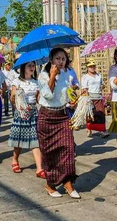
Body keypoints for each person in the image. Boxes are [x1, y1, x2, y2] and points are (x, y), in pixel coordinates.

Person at [38, 48, 80, 199]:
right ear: (51, 60)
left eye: (63, 58)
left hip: (63, 116)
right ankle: (50, 184)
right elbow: (47, 95)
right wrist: (52, 76)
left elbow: (68, 94)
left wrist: (74, 100)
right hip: (46, 117)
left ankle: (68, 182)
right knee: (50, 154)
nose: (61, 61)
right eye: (58, 58)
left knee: (68, 148)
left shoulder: (66, 74)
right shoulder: (43, 75)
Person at [8, 61, 45, 178]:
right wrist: (16, 95)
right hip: (21, 112)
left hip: (33, 111)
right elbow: (12, 99)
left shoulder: (36, 82)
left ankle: (39, 168)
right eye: (29, 65)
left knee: (35, 139)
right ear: (23, 67)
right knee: (19, 139)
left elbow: (38, 99)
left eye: (33, 65)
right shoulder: (17, 81)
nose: (32, 68)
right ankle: (15, 160)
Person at [81, 58, 108, 138]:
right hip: (90, 97)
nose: (92, 68)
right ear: (87, 68)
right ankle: (89, 128)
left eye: (93, 66)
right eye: (90, 66)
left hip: (98, 96)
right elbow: (85, 88)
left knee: (101, 113)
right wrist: (86, 98)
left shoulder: (99, 75)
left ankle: (102, 130)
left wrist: (102, 86)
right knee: (90, 114)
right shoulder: (85, 77)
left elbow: (102, 84)